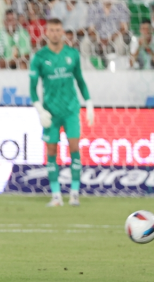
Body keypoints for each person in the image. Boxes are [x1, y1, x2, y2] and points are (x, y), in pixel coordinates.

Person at [29, 18, 94, 207]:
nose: (55, 33)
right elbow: (33, 88)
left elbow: (80, 80)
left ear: (63, 32)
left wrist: (88, 103)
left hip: (71, 110)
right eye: (52, 30)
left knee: (74, 148)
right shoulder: (40, 57)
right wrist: (40, 110)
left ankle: (74, 193)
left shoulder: (72, 55)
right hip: (51, 112)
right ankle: (56, 195)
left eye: (58, 30)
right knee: (51, 150)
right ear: (46, 33)